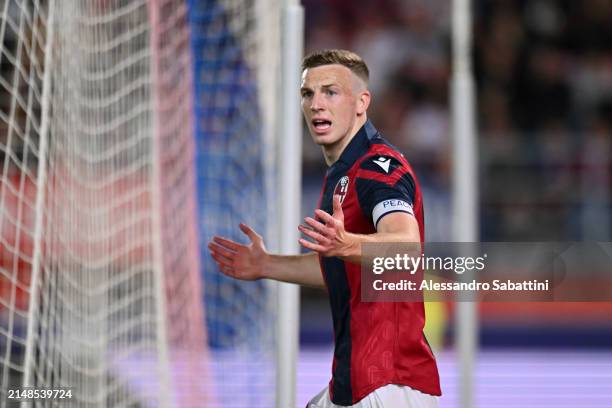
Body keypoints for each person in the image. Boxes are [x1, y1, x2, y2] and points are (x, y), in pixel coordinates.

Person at [208, 49, 441, 407]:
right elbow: (339, 268)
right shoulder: (343, 174)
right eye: (308, 93)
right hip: (353, 382)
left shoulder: (378, 168)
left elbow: (406, 248)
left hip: (388, 384)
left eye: (330, 92)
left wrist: (346, 244)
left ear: (362, 102)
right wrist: (268, 265)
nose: (317, 103)